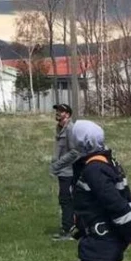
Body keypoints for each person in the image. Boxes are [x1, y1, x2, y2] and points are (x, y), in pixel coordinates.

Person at [68, 120, 131, 261]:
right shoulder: (109, 163)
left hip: (101, 247)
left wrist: (130, 232)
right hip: (107, 245)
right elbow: (130, 199)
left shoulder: (94, 170)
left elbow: (118, 206)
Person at [49, 103, 79, 241]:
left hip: (68, 171)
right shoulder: (60, 128)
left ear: (67, 114)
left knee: (66, 200)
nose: (58, 113)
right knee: (64, 199)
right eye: (57, 110)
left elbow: (74, 152)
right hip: (63, 171)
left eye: (60, 111)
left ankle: (68, 230)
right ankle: (68, 227)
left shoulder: (70, 129)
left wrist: (57, 165)